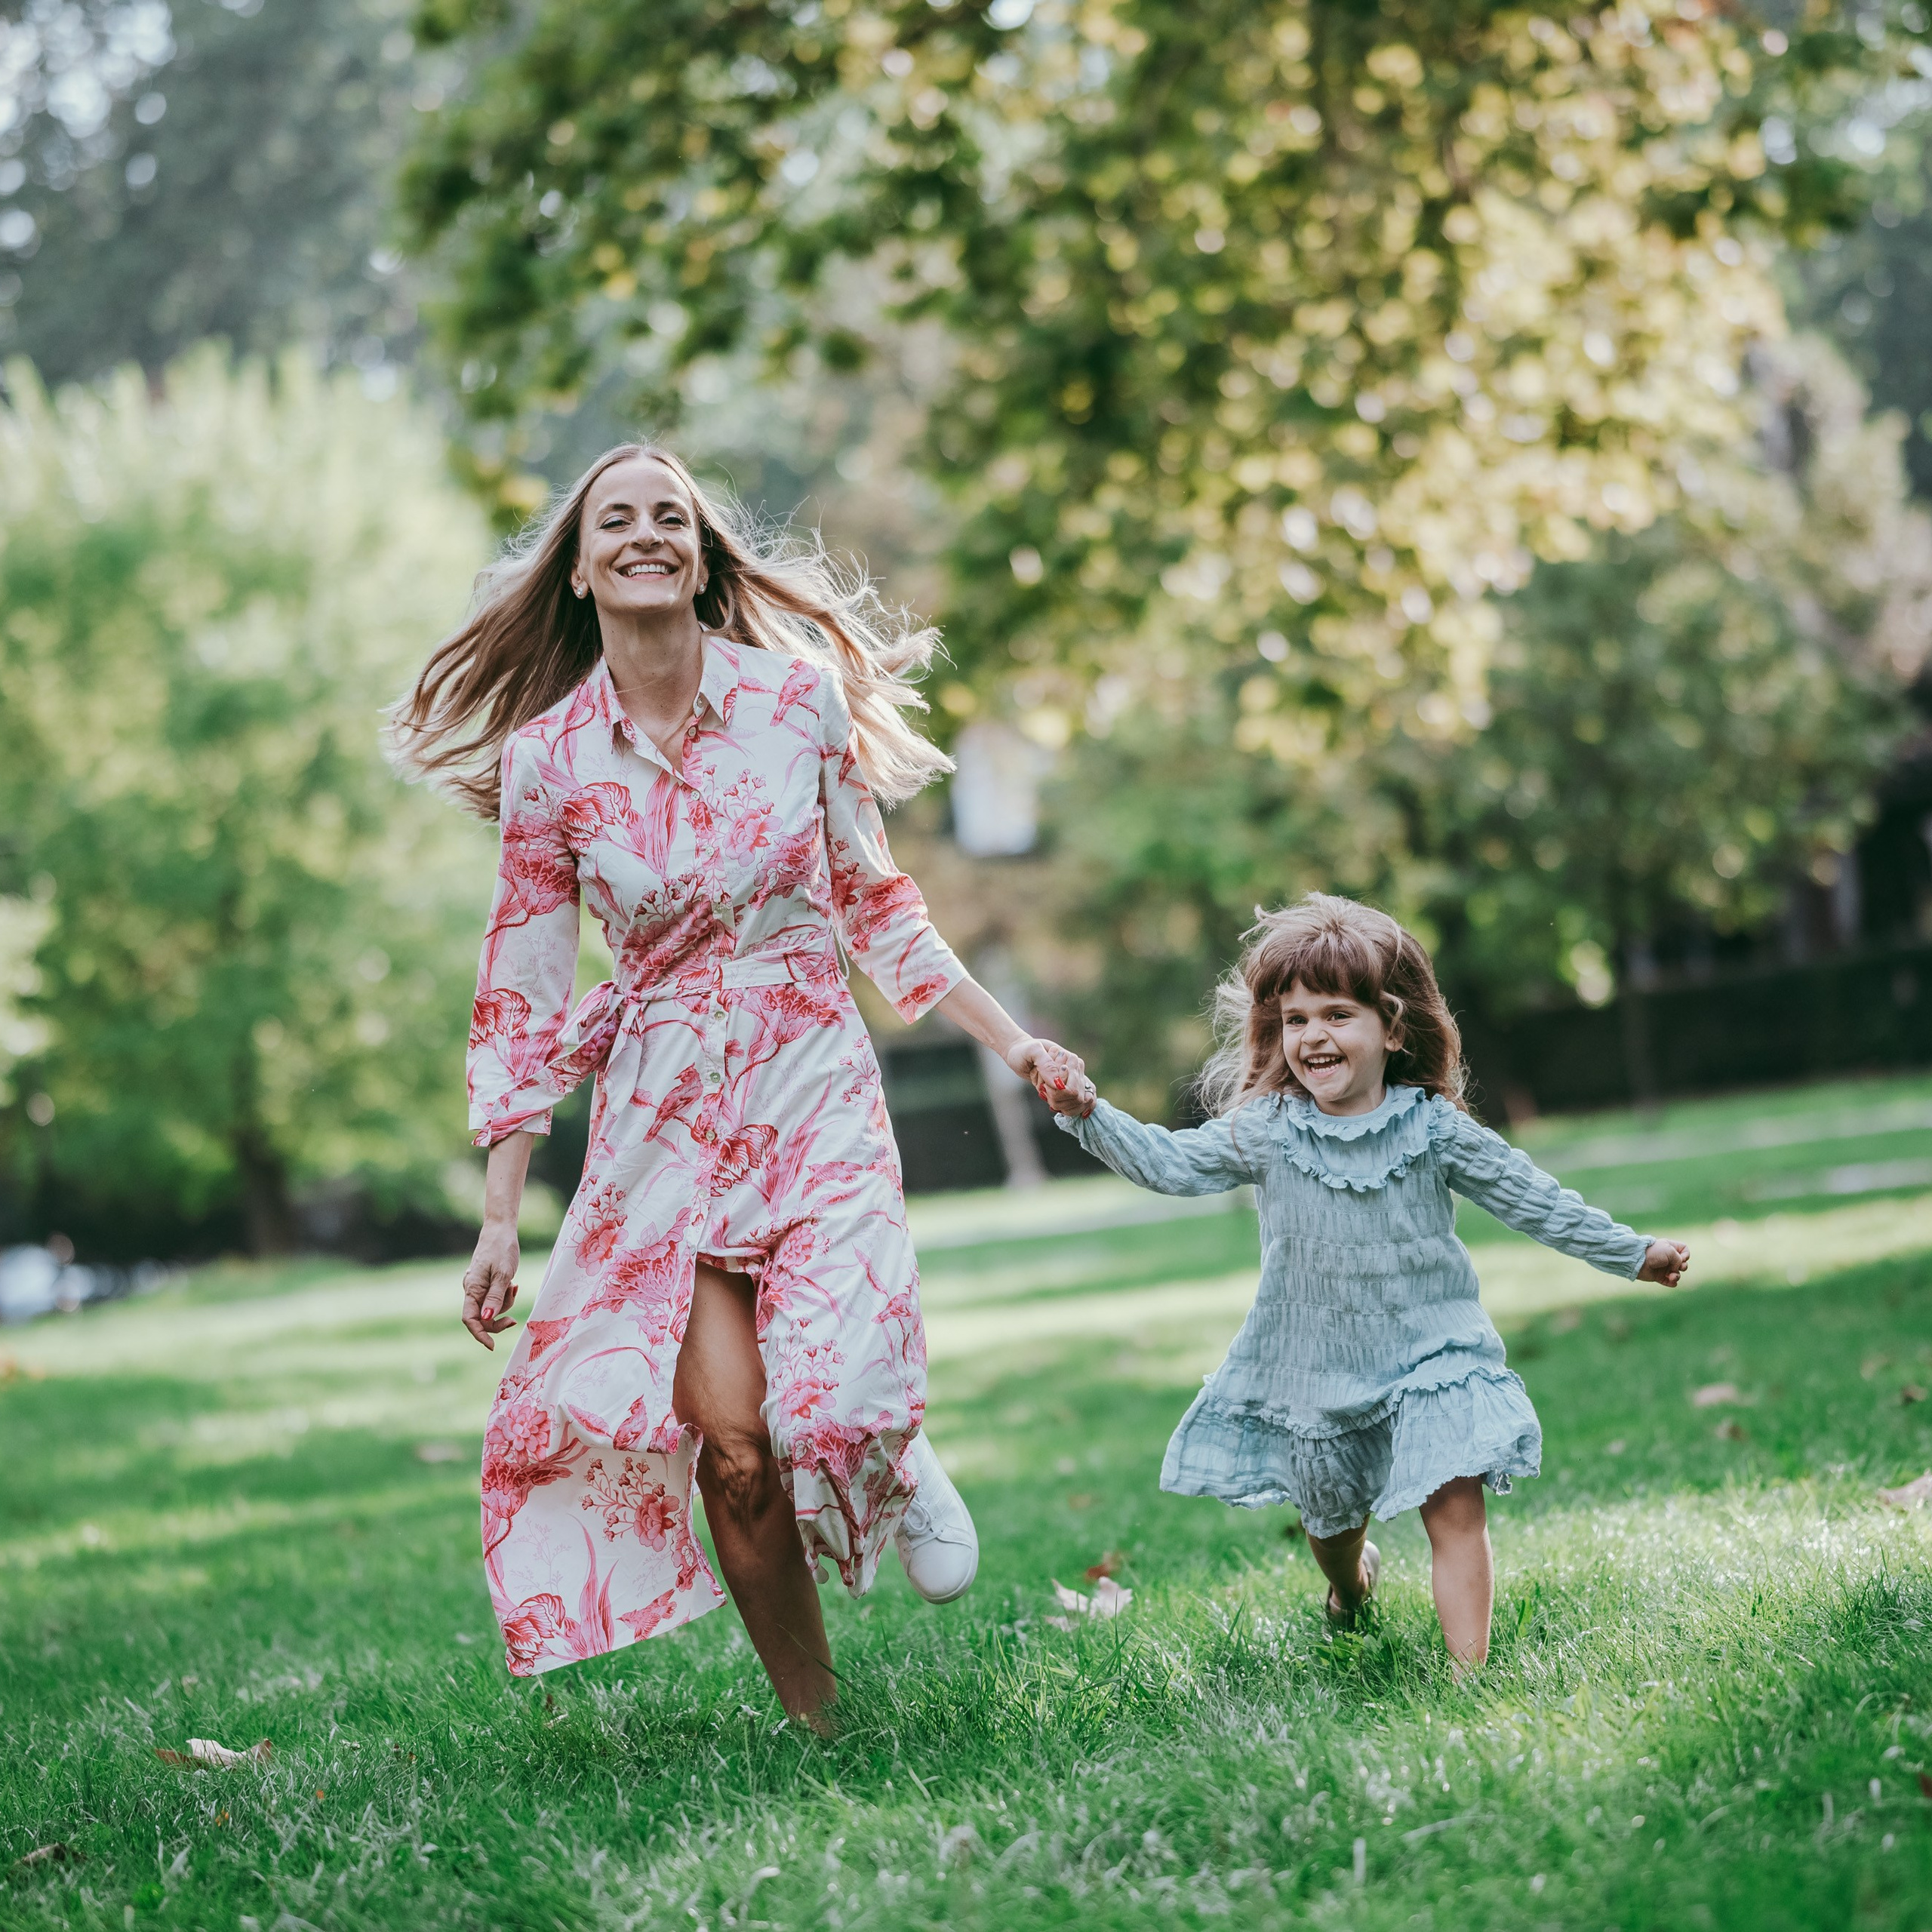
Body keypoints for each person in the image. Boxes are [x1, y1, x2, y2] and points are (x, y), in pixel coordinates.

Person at [395, 444, 1083, 1722]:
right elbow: (524, 995)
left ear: (704, 555)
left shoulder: (793, 702)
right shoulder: (551, 765)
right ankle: (821, 1728)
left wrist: (1018, 1043)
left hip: (808, 1074)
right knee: (738, 1452)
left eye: (674, 516)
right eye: (619, 520)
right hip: (662, 1124)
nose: (648, 533)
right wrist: (500, 1213)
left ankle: (887, 1440)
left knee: (831, 1408)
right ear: (584, 566)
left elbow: (876, 903)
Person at [1041, 894, 1690, 1672]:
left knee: (1454, 1506)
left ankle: (1468, 1678)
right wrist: (1088, 1112)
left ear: (1390, 1027)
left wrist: (1632, 1251)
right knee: (1332, 1525)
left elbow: (1534, 1198)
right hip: (1319, 1367)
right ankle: (1350, 1588)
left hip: (1434, 1352)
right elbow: (1169, 1165)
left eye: (1337, 1014)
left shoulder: (1432, 1126)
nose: (1313, 1035)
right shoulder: (1269, 1130)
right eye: (1296, 1018)